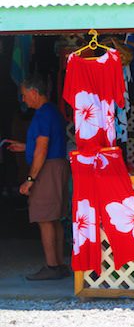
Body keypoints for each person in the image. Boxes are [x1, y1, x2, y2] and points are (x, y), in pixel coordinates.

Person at [7, 75, 70, 280]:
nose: (23, 100)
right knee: (54, 218)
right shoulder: (51, 111)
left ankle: (52, 267)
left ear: (34, 93)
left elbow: (42, 149)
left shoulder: (43, 114)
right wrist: (25, 147)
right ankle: (59, 264)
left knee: (44, 218)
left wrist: (30, 180)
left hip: (48, 169)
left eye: (24, 95)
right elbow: (45, 144)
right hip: (57, 165)